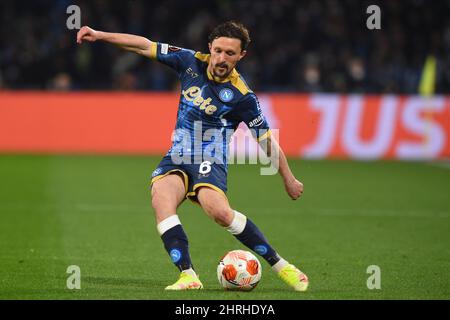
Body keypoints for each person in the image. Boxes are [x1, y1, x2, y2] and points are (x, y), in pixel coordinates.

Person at [76, 21, 308, 291]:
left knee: (219, 213)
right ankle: (188, 275)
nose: (222, 59)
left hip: (210, 158)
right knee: (161, 199)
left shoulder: (243, 97)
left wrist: (288, 178)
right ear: (210, 47)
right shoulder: (188, 61)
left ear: (241, 56)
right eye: (218, 50)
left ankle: (283, 266)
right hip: (177, 155)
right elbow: (143, 45)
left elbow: (266, 141)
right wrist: (100, 35)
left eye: (230, 54)